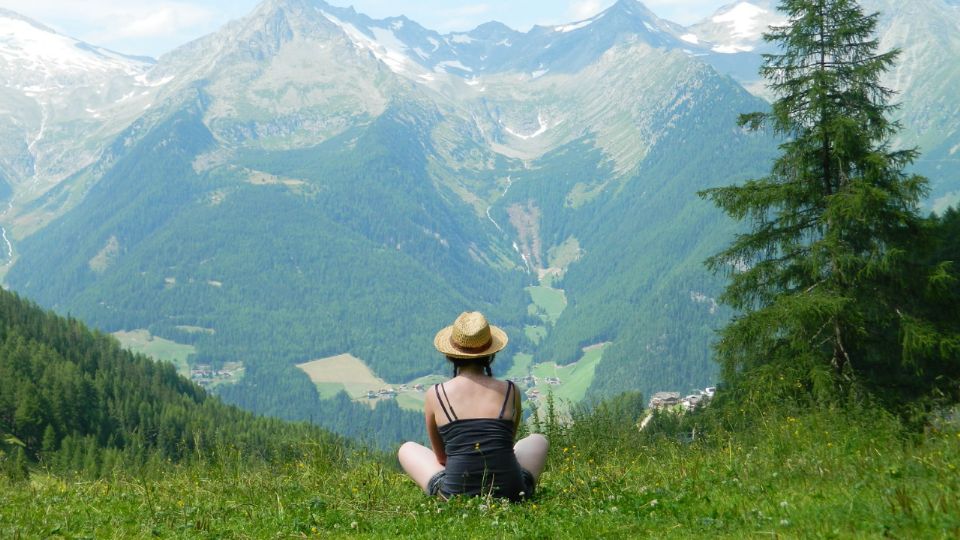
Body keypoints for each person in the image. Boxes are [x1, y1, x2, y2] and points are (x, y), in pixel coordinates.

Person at [398, 311, 548, 501]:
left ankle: (454, 490)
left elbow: (442, 458)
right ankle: (512, 484)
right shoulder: (511, 391)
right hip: (512, 493)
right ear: (490, 354)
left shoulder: (436, 394)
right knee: (538, 440)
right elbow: (506, 444)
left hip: (454, 495)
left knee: (407, 448)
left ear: (451, 355)